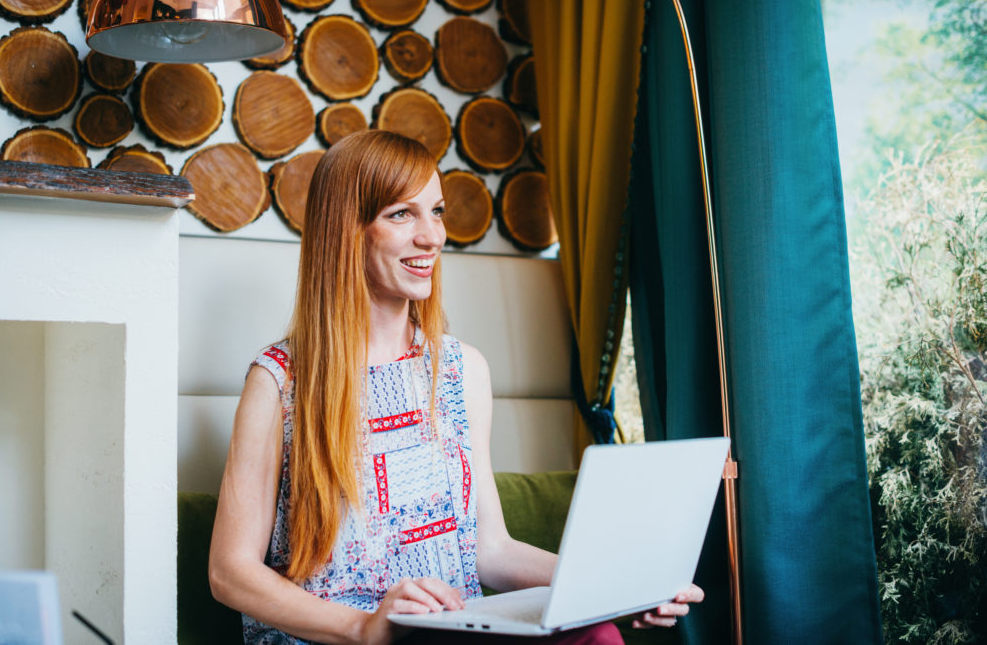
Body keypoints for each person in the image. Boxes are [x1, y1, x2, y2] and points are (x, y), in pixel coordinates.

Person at [208, 130, 704, 645]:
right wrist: (363, 627)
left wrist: (619, 587)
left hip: (454, 634)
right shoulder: (279, 381)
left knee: (597, 634)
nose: (432, 237)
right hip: (336, 638)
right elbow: (230, 572)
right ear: (346, 230)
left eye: (437, 211)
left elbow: (489, 549)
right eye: (402, 214)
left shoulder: (462, 370)